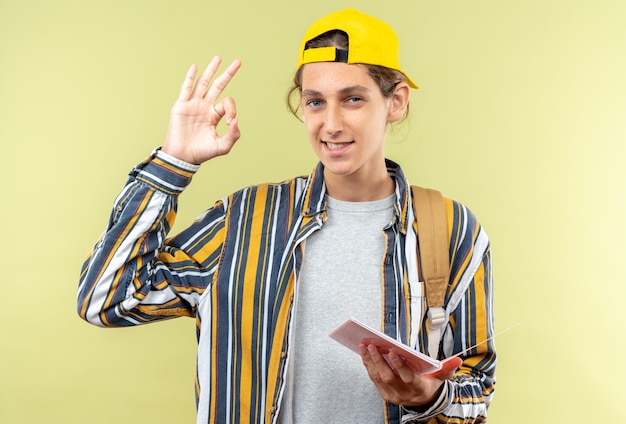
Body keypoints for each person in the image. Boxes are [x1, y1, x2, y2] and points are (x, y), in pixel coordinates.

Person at [77, 8, 496, 424]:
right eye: (315, 102)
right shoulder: (241, 222)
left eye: (353, 99)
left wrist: (431, 397)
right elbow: (105, 300)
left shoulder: (451, 230)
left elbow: (478, 387)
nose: (331, 124)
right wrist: (172, 163)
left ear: (396, 102)